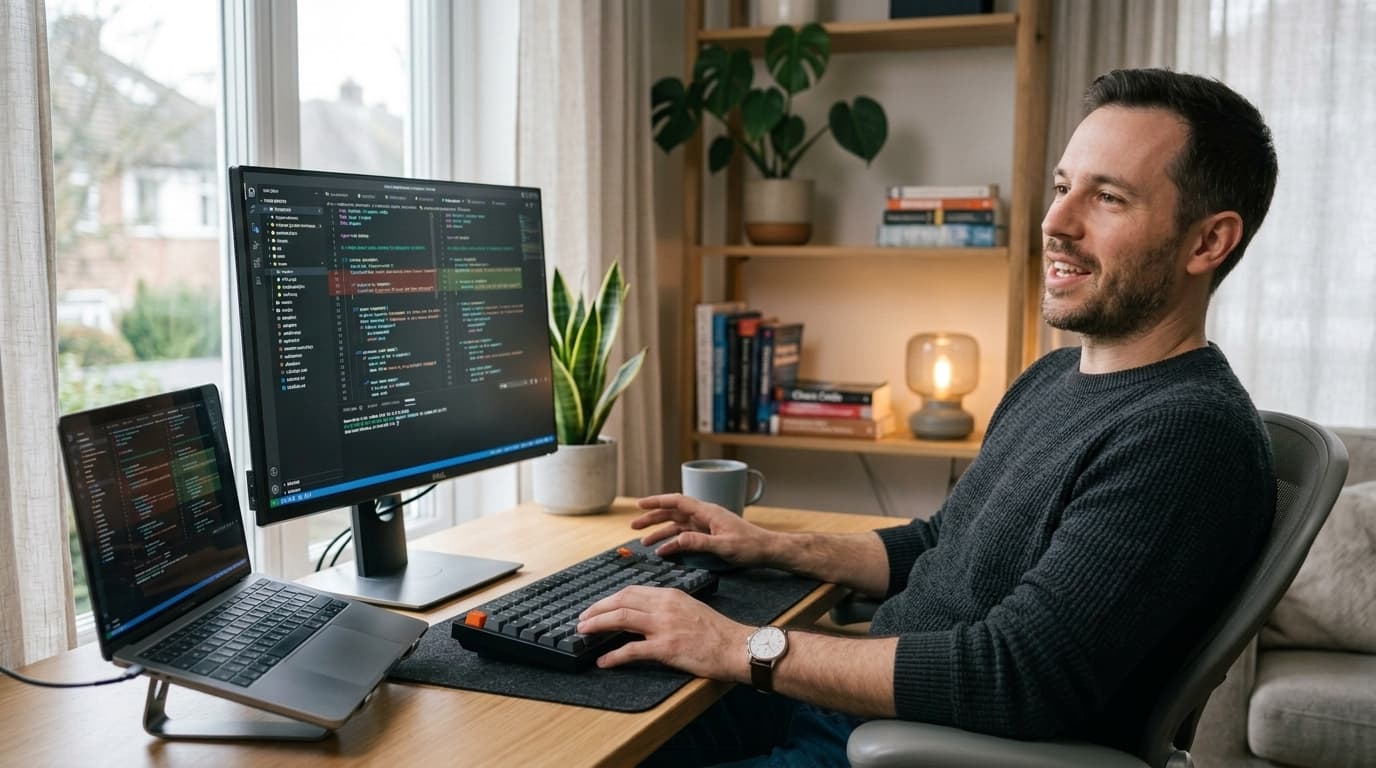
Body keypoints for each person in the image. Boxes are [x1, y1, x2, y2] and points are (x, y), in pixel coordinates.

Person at [577, 67, 1280, 765]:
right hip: (841, 710)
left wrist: (734, 644)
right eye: (1064, 187)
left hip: (908, 750)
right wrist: (770, 545)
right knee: (565, 711)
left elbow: (1016, 674)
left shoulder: (1188, 436)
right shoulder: (1056, 378)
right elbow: (941, 545)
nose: (1056, 223)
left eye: (1109, 198)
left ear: (1207, 243)